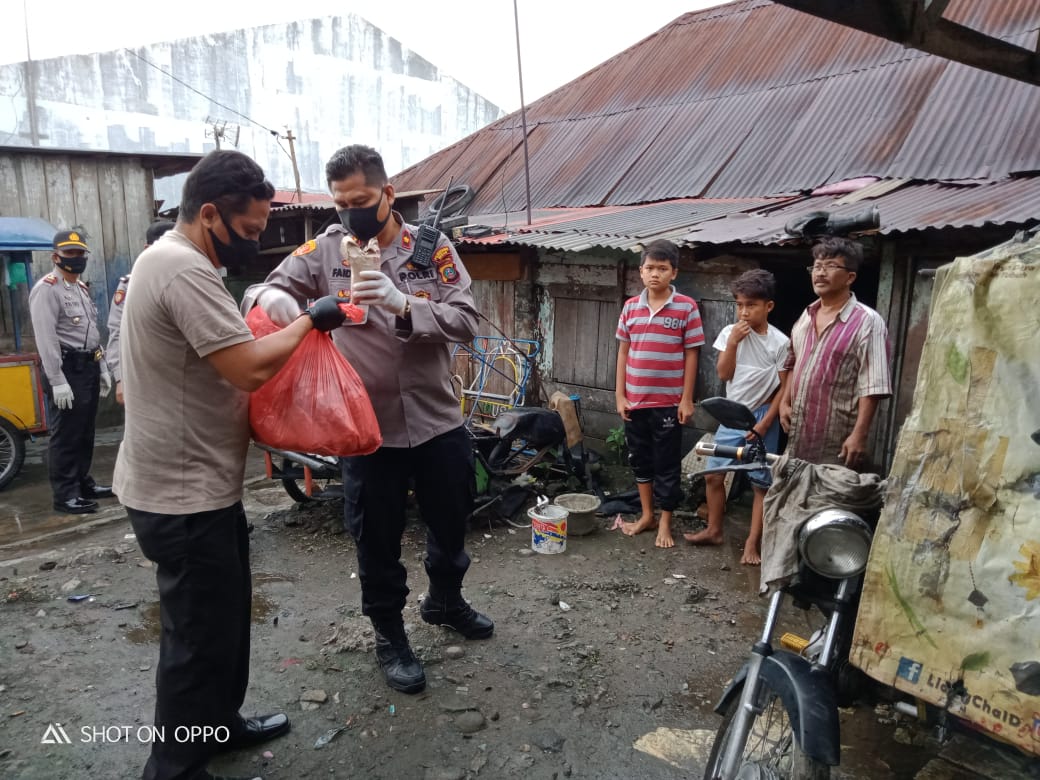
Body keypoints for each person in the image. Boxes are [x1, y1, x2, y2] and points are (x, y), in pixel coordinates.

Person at [113, 149, 347, 780]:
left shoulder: (173, 261)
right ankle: (175, 768)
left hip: (202, 488)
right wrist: (308, 321)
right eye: (247, 232)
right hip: (180, 496)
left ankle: (221, 723)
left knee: (223, 622)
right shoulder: (180, 268)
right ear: (209, 213)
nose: (254, 243)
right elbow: (247, 366)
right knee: (195, 642)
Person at [244, 143, 492, 696]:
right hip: (364, 430)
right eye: (340, 202)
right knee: (374, 539)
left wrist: (406, 304)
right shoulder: (324, 249)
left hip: (436, 420)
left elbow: (468, 321)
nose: (350, 211)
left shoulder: (432, 250)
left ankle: (445, 600)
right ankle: (389, 635)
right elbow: (264, 287)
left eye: (360, 199)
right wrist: (273, 300)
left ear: (386, 194)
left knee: (452, 522)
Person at [684, 269, 789, 565]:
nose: (744, 312)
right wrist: (732, 344)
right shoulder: (730, 333)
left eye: (751, 305)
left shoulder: (779, 343)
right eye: (740, 305)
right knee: (714, 475)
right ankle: (714, 530)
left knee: (761, 483)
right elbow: (723, 373)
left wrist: (766, 422)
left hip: (763, 415)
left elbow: (785, 385)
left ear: (768, 306)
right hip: (733, 414)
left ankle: (752, 544)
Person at [615, 239, 704, 548]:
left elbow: (692, 354)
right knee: (640, 460)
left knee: (666, 464)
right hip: (635, 401)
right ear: (641, 272)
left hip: (668, 402)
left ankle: (665, 521)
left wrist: (686, 398)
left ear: (673, 273)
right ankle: (647, 515)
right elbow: (623, 354)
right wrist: (620, 396)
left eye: (662, 268)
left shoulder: (686, 307)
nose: (655, 274)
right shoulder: (630, 308)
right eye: (650, 268)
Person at [779, 236, 892, 468]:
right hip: (799, 435)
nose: (820, 273)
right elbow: (792, 362)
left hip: (838, 441)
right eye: (817, 266)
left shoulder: (867, 321)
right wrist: (784, 402)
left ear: (850, 277)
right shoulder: (806, 316)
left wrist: (859, 435)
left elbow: (874, 385)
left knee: (828, 502)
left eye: (830, 266)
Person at [28, 230, 114, 514]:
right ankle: (65, 495)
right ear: (56, 257)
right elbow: (46, 338)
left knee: (85, 431)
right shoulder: (47, 289)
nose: (76, 259)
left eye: (80, 254)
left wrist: (101, 366)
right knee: (65, 434)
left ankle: (82, 483)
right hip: (66, 369)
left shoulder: (80, 288)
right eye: (69, 254)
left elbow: (91, 334)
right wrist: (57, 380)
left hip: (86, 366)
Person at [106, 219, 176, 404]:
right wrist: (120, 378)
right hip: (146, 377)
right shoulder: (131, 285)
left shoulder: (190, 279)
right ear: (147, 248)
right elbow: (116, 332)